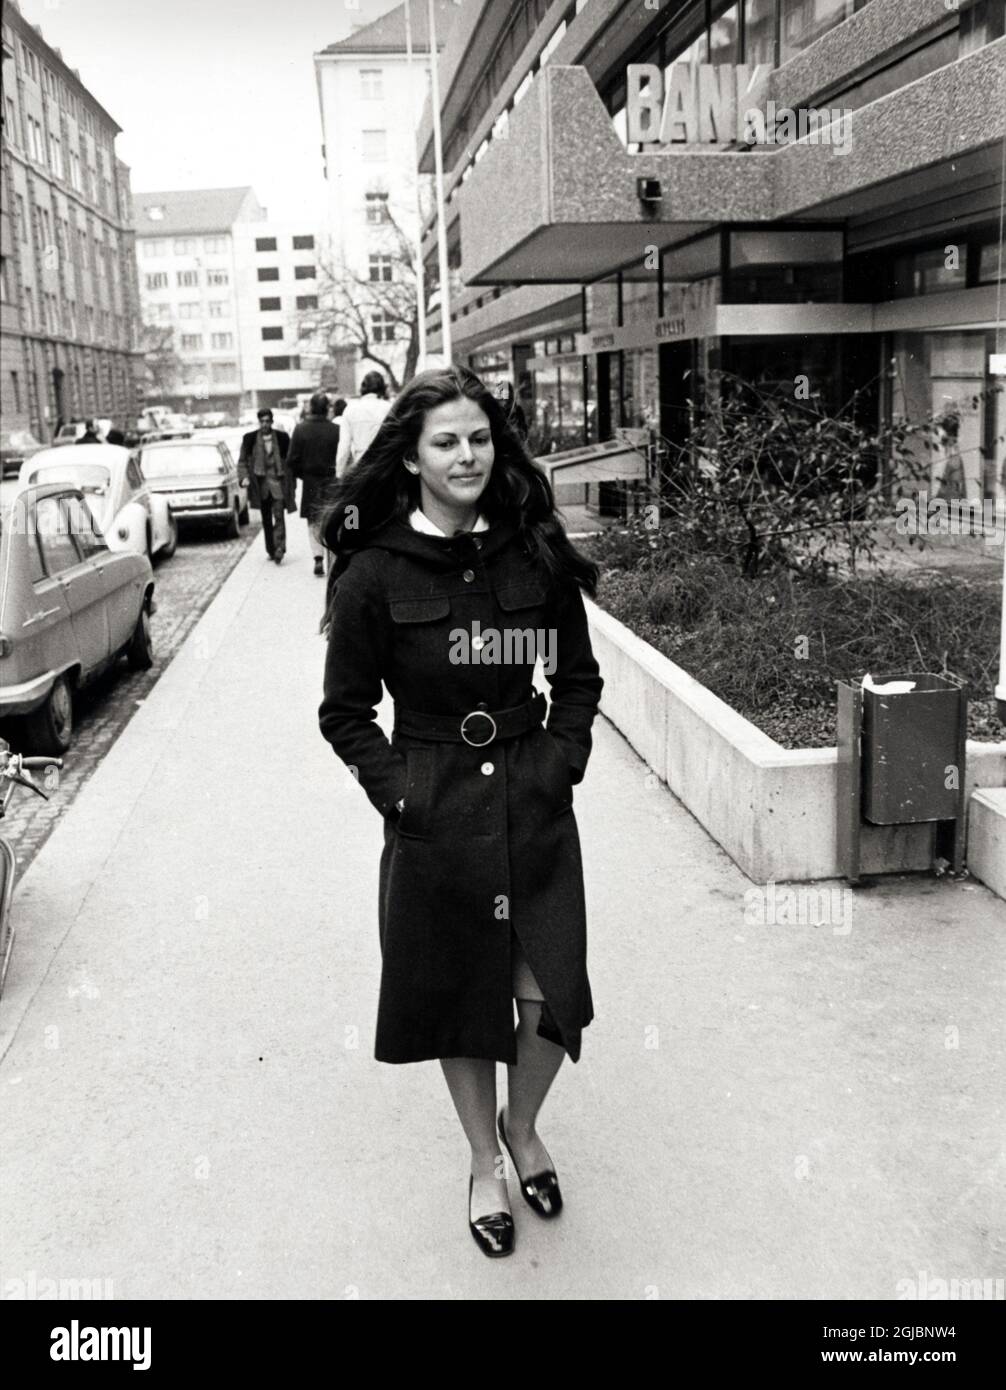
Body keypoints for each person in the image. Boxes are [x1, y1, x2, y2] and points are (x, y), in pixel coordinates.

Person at [318, 365, 603, 1259]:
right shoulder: (373, 574)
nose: (467, 454)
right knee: (459, 999)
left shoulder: (532, 550)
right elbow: (346, 712)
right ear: (410, 456)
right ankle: (487, 1160)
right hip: (436, 810)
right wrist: (402, 792)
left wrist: (562, 759)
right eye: (446, 440)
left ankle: (525, 1127)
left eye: (479, 437)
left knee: (555, 998)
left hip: (533, 798)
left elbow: (578, 677)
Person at [287, 393, 342, 576]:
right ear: (327, 408)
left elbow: (292, 460)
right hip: (333, 480)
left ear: (310, 407)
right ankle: (335, 555)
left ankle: (318, 557)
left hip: (311, 481)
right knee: (335, 518)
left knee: (313, 521)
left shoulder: (300, 429)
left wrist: (302, 475)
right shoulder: (336, 429)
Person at [238, 408, 296, 564]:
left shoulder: (282, 438)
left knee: (279, 517)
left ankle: (280, 548)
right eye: (262, 421)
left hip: (277, 484)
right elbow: (242, 461)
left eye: (267, 421)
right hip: (260, 485)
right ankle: (271, 548)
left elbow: (290, 461)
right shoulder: (249, 439)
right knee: (266, 520)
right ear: (259, 422)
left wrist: (291, 482)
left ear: (272, 421)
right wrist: (244, 477)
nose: (265, 424)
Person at [335, 370, 391, 477]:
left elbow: (344, 446)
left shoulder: (350, 409)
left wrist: (339, 473)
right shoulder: (389, 408)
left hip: (360, 467)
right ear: (382, 388)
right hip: (384, 467)